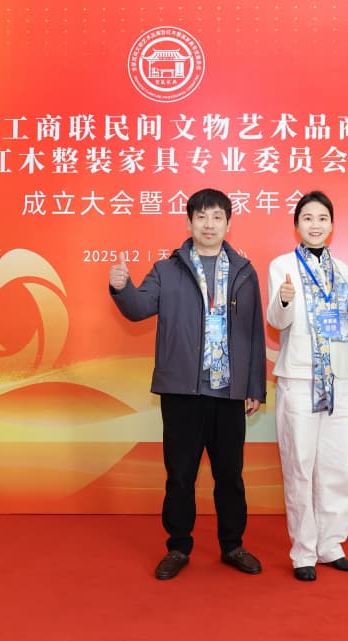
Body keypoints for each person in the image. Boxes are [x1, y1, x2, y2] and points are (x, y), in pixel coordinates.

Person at [108, 188, 267, 580]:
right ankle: (178, 547)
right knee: (180, 475)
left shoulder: (244, 272)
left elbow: (253, 333)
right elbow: (138, 309)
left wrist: (254, 387)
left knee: (230, 476)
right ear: (189, 222)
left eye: (217, 217)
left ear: (228, 223)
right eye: (201, 217)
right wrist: (122, 287)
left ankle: (233, 546)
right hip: (182, 392)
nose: (209, 224)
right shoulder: (167, 270)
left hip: (228, 392)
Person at [266, 191, 348, 582]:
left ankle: (331, 545)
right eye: (307, 218)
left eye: (322, 218)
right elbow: (277, 322)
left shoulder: (343, 270)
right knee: (300, 465)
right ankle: (304, 551)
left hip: (338, 380)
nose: (315, 224)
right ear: (297, 225)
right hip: (300, 378)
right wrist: (284, 300)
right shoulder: (282, 266)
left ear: (331, 225)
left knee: (336, 466)